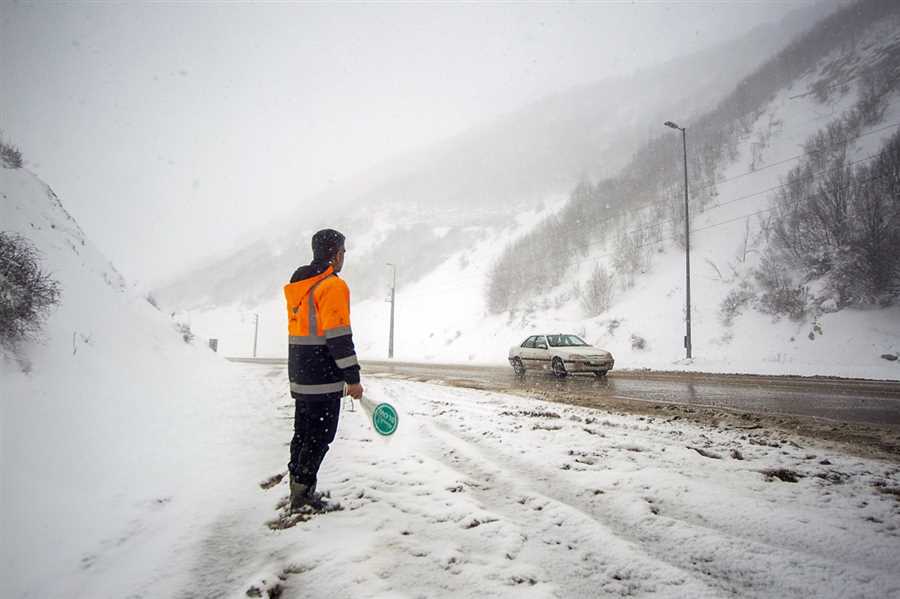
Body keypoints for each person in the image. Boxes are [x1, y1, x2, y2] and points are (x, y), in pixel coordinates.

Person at [283, 228, 363, 511]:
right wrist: (352, 378)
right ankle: (303, 497)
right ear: (334, 254)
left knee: (303, 433)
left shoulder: (300, 286)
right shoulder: (332, 286)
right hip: (323, 377)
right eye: (342, 251)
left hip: (301, 374)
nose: (344, 257)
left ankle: (298, 487)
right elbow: (339, 338)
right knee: (319, 437)